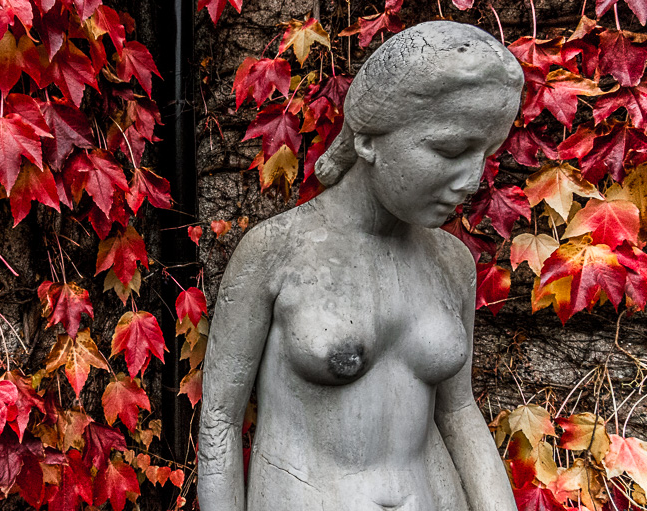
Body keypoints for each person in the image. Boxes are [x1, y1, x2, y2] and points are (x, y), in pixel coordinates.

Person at [197, 21, 524, 511]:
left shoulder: (451, 262)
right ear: (369, 140)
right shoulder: (276, 251)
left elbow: (458, 412)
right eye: (450, 150)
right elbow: (220, 420)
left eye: (485, 155)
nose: (472, 179)